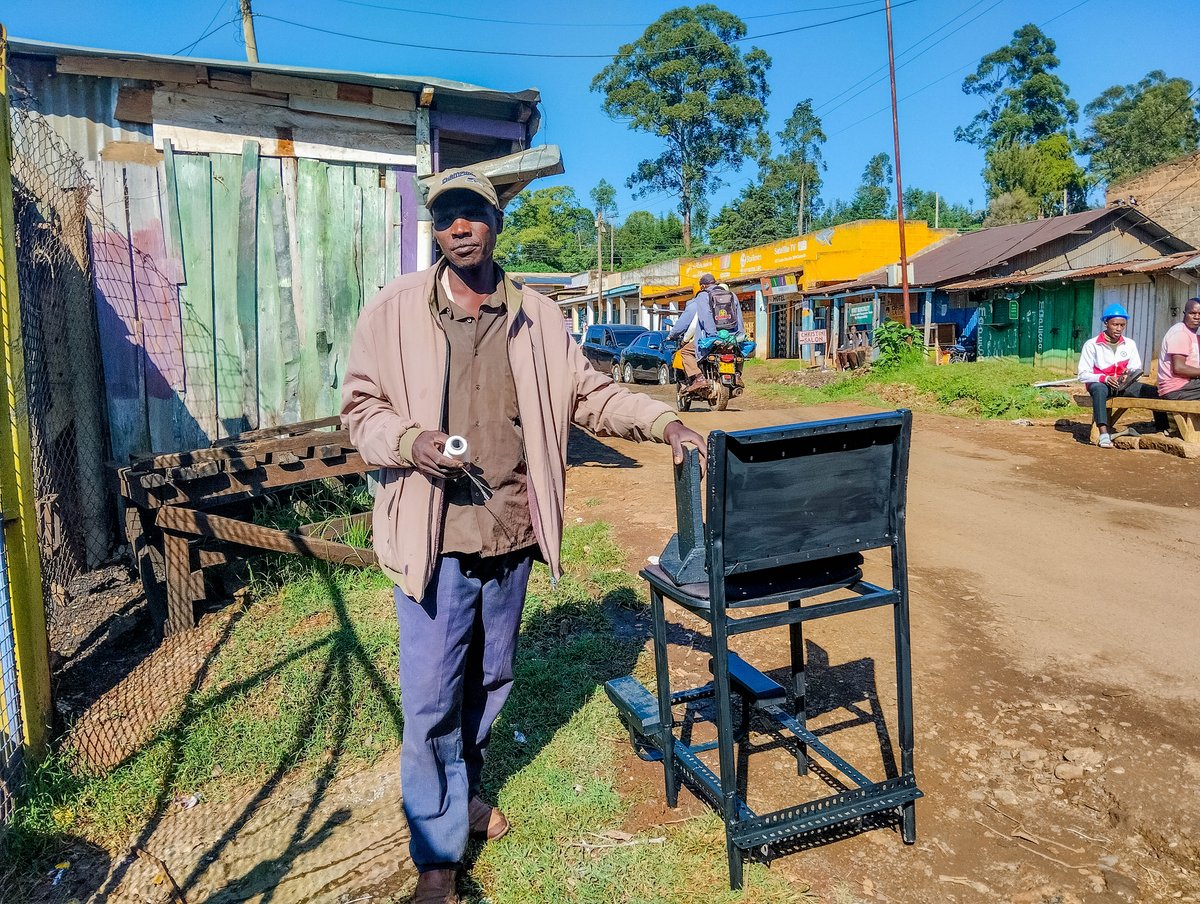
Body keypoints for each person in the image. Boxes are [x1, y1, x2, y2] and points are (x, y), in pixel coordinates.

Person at [341, 167, 705, 904]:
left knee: (490, 681)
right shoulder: (394, 311)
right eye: (447, 218)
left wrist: (662, 419)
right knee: (432, 696)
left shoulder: (539, 317)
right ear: (435, 230)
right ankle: (438, 858)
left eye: (474, 213)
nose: (462, 228)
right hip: (434, 535)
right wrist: (409, 440)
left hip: (510, 530)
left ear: (497, 220)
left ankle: (466, 794)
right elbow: (359, 409)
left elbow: (589, 395)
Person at [1077, 303, 1159, 448]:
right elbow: (1083, 374)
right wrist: (1105, 378)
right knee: (1099, 390)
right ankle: (1103, 433)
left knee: (1155, 392)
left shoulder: (1130, 344)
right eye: (1115, 324)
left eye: (1122, 325)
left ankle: (1162, 427)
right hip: (1101, 385)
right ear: (1106, 323)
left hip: (1123, 386)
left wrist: (1127, 375)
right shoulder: (1092, 345)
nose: (1119, 329)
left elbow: (1136, 367)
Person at [668, 274, 718, 390]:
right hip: (728, 338)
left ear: (701, 288)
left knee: (685, 352)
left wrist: (672, 335)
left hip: (707, 339)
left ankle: (699, 378)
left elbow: (687, 326)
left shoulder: (696, 303)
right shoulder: (727, 297)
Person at [1157, 297, 1200, 401]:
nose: (1197, 317)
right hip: (1176, 389)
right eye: (1192, 313)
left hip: (1188, 385)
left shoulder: (1193, 335)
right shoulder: (1180, 333)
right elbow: (1179, 368)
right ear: (1184, 313)